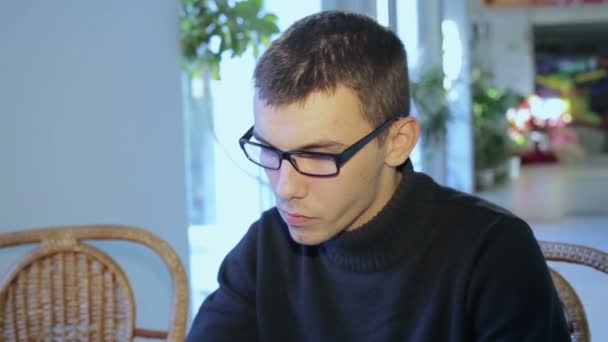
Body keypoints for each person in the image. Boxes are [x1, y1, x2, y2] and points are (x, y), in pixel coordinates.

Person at [187, 10, 570, 342]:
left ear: (397, 142)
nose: (286, 188)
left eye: (320, 155)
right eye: (270, 150)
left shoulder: (492, 252)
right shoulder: (266, 246)